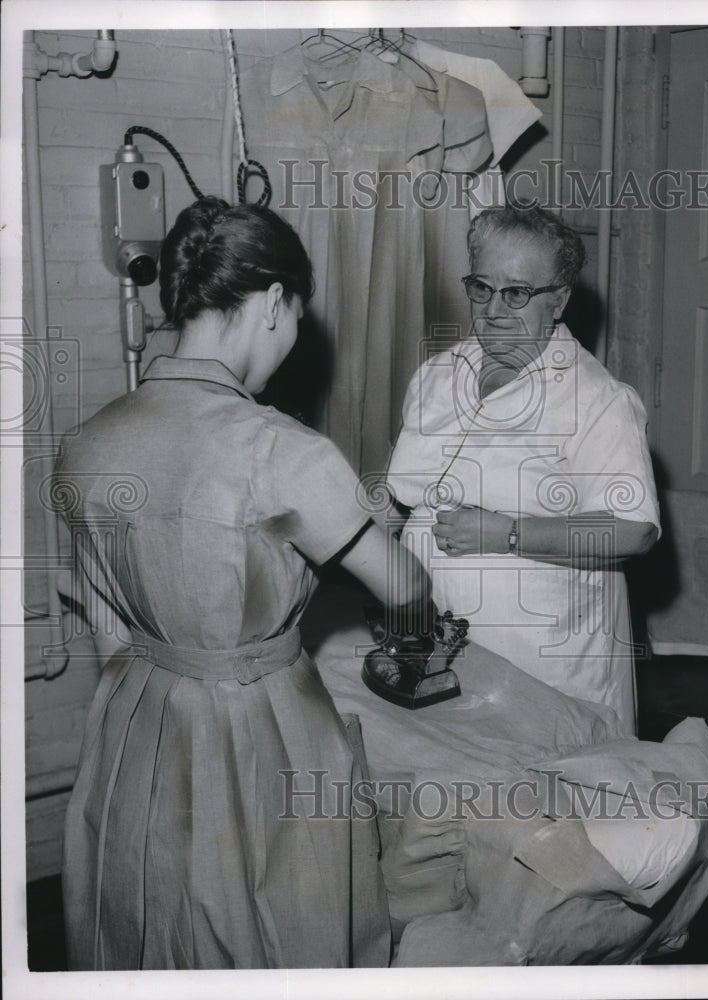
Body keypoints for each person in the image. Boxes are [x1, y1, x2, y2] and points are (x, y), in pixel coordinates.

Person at [54, 197, 431, 970]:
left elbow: (107, 627)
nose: (293, 339)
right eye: (295, 316)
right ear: (270, 304)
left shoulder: (85, 444)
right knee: (279, 927)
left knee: (146, 922)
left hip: (134, 725)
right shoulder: (281, 453)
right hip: (263, 732)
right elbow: (406, 588)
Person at [386, 204, 660, 733]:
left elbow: (636, 531)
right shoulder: (436, 377)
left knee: (545, 807)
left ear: (558, 300)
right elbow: (403, 501)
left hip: (546, 665)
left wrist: (508, 535)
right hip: (437, 656)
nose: (493, 310)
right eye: (481, 288)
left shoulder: (597, 399)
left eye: (516, 293)